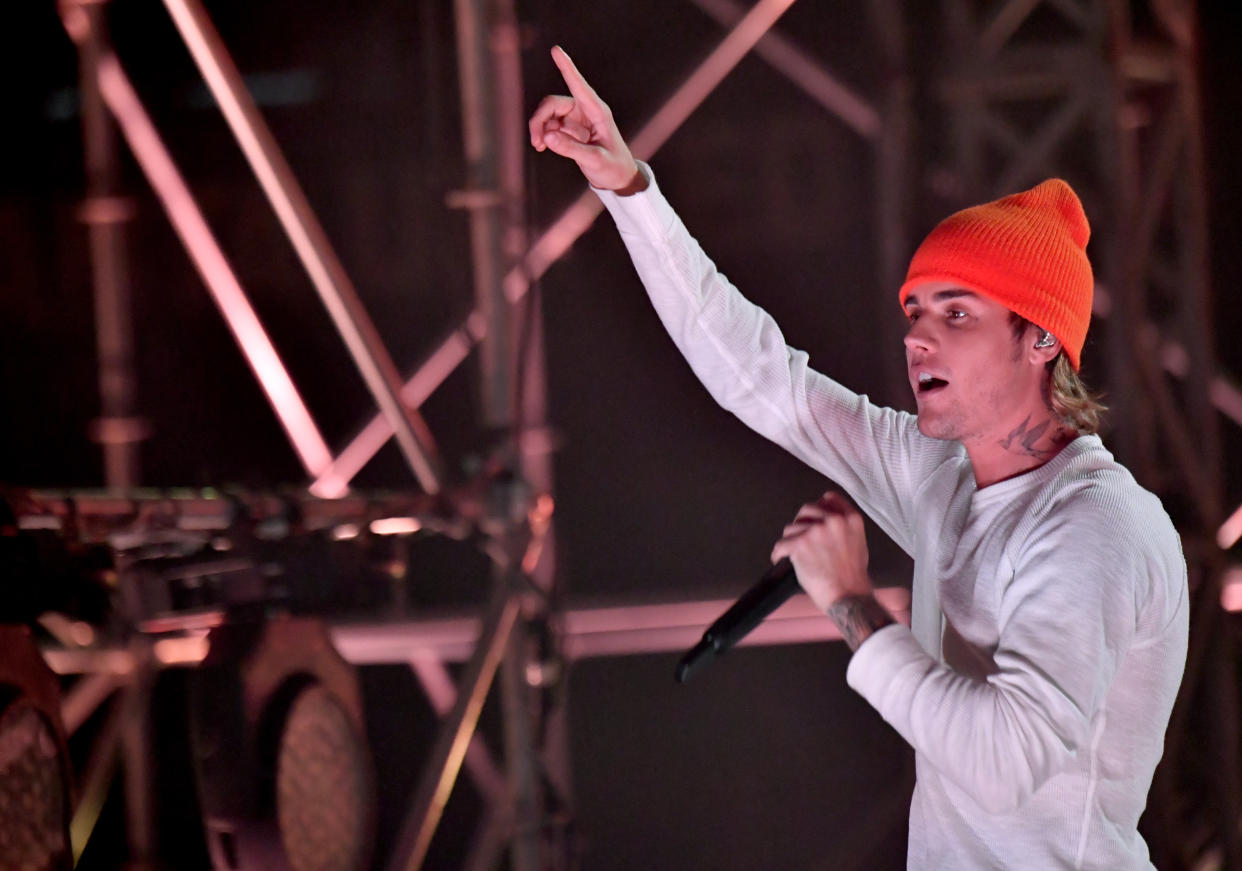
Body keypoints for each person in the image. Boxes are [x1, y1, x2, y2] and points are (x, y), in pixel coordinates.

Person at [529, 46, 1188, 870]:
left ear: (1042, 336)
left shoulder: (1097, 525)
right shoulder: (940, 475)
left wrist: (848, 601)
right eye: (915, 308)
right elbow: (765, 381)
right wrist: (627, 190)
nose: (918, 335)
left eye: (957, 312)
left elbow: (1003, 764)